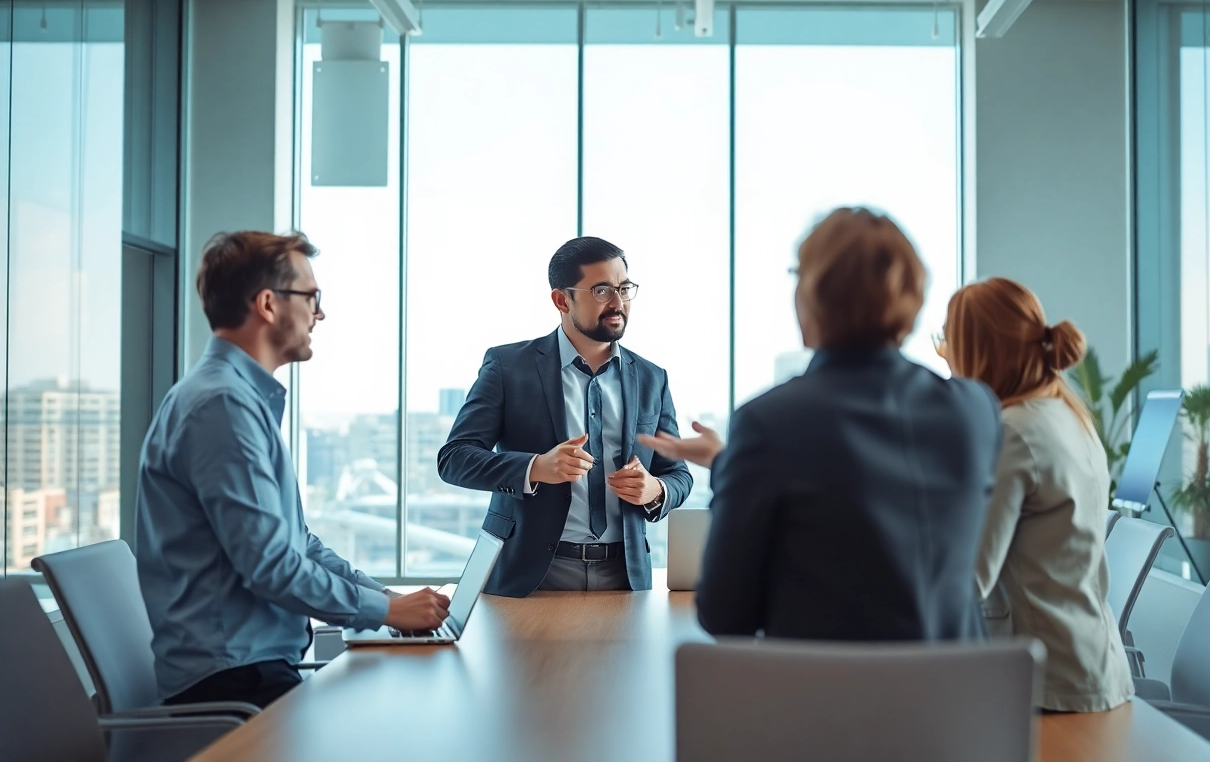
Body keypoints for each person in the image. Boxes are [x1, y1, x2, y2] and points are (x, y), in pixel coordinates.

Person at [641, 207, 1001, 641]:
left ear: (813, 294)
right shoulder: (975, 411)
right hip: (955, 682)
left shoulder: (768, 421)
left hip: (820, 684)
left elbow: (724, 614)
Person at [136, 231, 449, 709]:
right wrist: (385, 610)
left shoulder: (237, 398)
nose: (319, 314)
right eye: (311, 297)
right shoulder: (222, 406)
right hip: (233, 684)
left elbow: (298, 544)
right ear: (268, 304)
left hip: (253, 670)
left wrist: (388, 600)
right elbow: (271, 567)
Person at [438, 237, 693, 596]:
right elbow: (454, 459)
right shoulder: (508, 367)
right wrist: (536, 467)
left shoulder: (652, 377)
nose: (617, 303)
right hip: (531, 573)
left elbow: (678, 474)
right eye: (602, 290)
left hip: (625, 575)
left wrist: (655, 490)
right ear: (562, 300)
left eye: (624, 289)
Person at [940, 276, 1133, 712]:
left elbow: (972, 576)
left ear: (978, 351)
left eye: (949, 344)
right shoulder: (1065, 414)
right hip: (1088, 662)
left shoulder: (1012, 432)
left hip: (1047, 680)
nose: (946, 360)